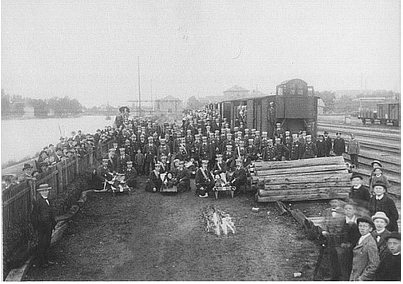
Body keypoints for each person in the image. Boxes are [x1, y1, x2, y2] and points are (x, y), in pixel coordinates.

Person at [31, 184, 57, 268]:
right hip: (42, 227)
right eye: (44, 191)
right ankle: (41, 262)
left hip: (49, 225)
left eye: (47, 190)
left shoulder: (49, 200)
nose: (46, 192)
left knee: (47, 243)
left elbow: (51, 213)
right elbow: (34, 215)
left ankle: (46, 260)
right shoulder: (38, 202)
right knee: (42, 243)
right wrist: (40, 223)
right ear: (40, 192)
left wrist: (52, 223)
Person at [335, 202, 360, 281]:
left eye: (350, 209)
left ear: (354, 211)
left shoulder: (358, 221)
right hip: (344, 247)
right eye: (346, 209)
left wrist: (352, 244)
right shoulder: (342, 221)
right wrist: (342, 243)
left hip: (356, 246)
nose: (348, 211)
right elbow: (339, 234)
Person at [349, 217, 380, 281]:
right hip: (355, 275)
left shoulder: (370, 243)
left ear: (370, 229)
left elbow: (374, 264)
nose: (362, 228)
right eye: (360, 226)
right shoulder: (361, 238)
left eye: (365, 226)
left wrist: (362, 278)